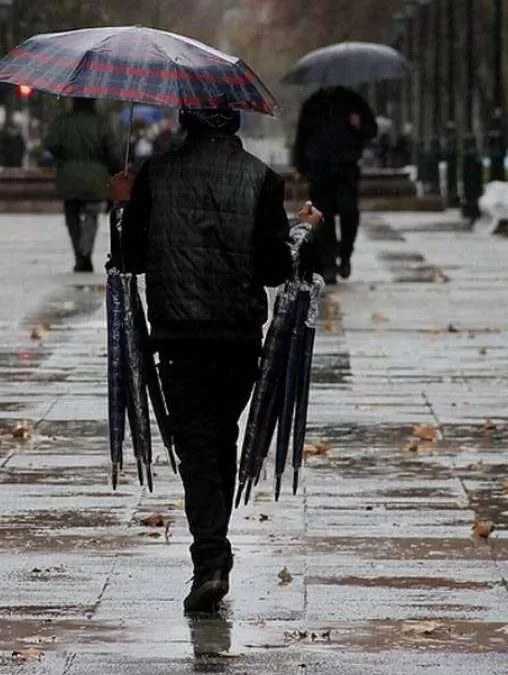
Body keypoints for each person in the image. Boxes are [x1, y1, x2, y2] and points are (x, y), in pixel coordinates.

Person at [110, 106, 322, 614]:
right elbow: (274, 270)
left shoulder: (155, 175)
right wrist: (302, 230)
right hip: (237, 337)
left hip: (178, 336)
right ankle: (212, 552)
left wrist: (121, 205)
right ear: (234, 123)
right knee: (218, 438)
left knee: (199, 447)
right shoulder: (262, 179)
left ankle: (210, 559)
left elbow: (131, 258)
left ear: (186, 120)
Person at [292, 86, 376, 283]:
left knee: (349, 214)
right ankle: (329, 263)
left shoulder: (353, 101)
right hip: (319, 168)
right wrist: (301, 166)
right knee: (324, 218)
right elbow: (302, 137)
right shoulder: (312, 103)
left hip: (346, 167)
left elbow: (371, 130)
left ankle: (345, 255)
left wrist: (359, 125)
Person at [44, 98, 121, 273]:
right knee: (92, 215)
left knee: (72, 215)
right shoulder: (101, 123)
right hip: (96, 177)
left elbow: (51, 144)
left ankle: (79, 254)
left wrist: (64, 156)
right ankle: (85, 251)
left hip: (68, 176)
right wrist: (116, 170)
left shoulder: (64, 121)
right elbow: (111, 150)